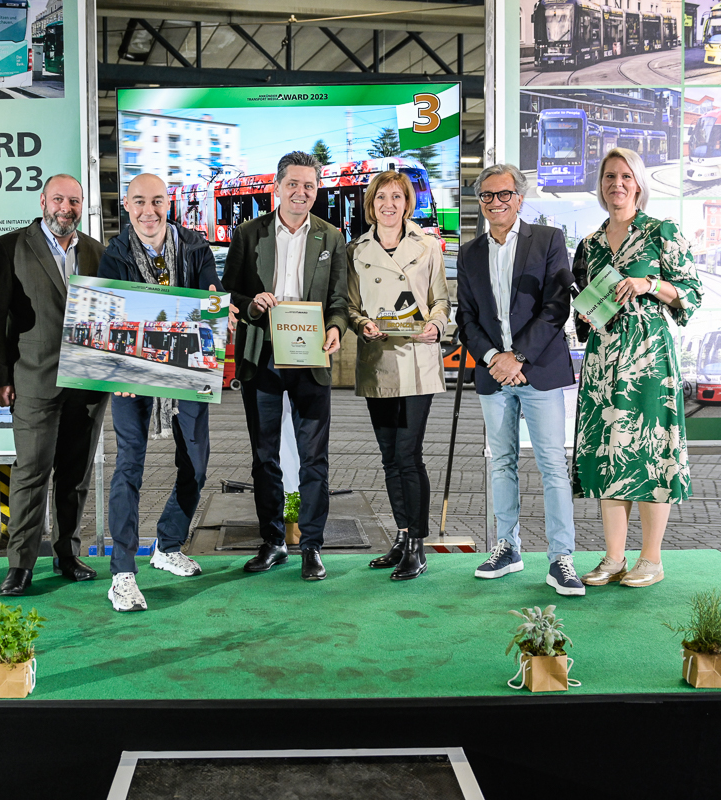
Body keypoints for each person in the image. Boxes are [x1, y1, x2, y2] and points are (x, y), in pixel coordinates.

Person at [573, 147, 701, 588]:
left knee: (649, 453)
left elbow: (692, 293)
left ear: (640, 183)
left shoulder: (661, 231)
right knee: (610, 451)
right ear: (601, 185)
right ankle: (613, 558)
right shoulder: (588, 244)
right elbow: (583, 303)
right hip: (603, 359)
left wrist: (650, 283)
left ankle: (651, 559)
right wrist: (584, 317)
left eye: (626, 176)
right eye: (609, 177)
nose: (617, 184)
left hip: (649, 358)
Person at [455, 163, 583, 596]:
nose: (495, 202)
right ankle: (507, 547)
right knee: (502, 462)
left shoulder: (547, 240)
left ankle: (561, 558)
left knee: (552, 466)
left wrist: (519, 357)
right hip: (494, 375)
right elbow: (466, 317)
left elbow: (556, 307)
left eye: (503, 194)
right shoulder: (470, 253)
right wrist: (494, 358)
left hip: (538, 371)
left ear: (519, 198)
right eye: (487, 196)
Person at [222, 151, 349, 581]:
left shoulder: (332, 237)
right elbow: (230, 294)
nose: (301, 192)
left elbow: (338, 301)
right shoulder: (247, 234)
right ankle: (273, 541)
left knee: (315, 458)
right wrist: (250, 303)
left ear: (318, 190)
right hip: (263, 358)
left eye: (309, 186)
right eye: (293, 184)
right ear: (277, 187)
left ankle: (312, 545)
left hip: (311, 358)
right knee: (264, 457)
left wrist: (335, 329)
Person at [0, 174, 108, 596]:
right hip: (33, 379)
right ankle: (20, 566)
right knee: (31, 473)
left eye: (74, 201)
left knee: (76, 474)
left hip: (88, 383)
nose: (65, 208)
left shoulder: (96, 252)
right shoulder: (9, 247)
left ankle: (68, 555)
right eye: (58, 199)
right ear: (42, 201)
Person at [98, 172, 219, 612]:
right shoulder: (113, 254)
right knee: (129, 465)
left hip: (187, 369)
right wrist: (123, 370)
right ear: (126, 207)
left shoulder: (194, 245)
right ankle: (123, 574)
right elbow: (111, 314)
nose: (148, 211)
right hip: (131, 375)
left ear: (168, 204)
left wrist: (214, 303)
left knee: (198, 462)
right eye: (139, 202)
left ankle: (167, 546)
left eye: (157, 201)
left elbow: (211, 295)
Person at [346, 170, 449, 581]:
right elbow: (351, 306)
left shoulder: (427, 247)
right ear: (370, 205)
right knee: (389, 458)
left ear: (408, 203)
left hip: (417, 362)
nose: (389, 205)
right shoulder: (356, 250)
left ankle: (418, 546)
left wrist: (436, 327)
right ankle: (402, 535)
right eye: (381, 198)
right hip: (378, 363)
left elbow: (441, 301)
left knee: (408, 455)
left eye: (397, 197)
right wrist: (360, 325)